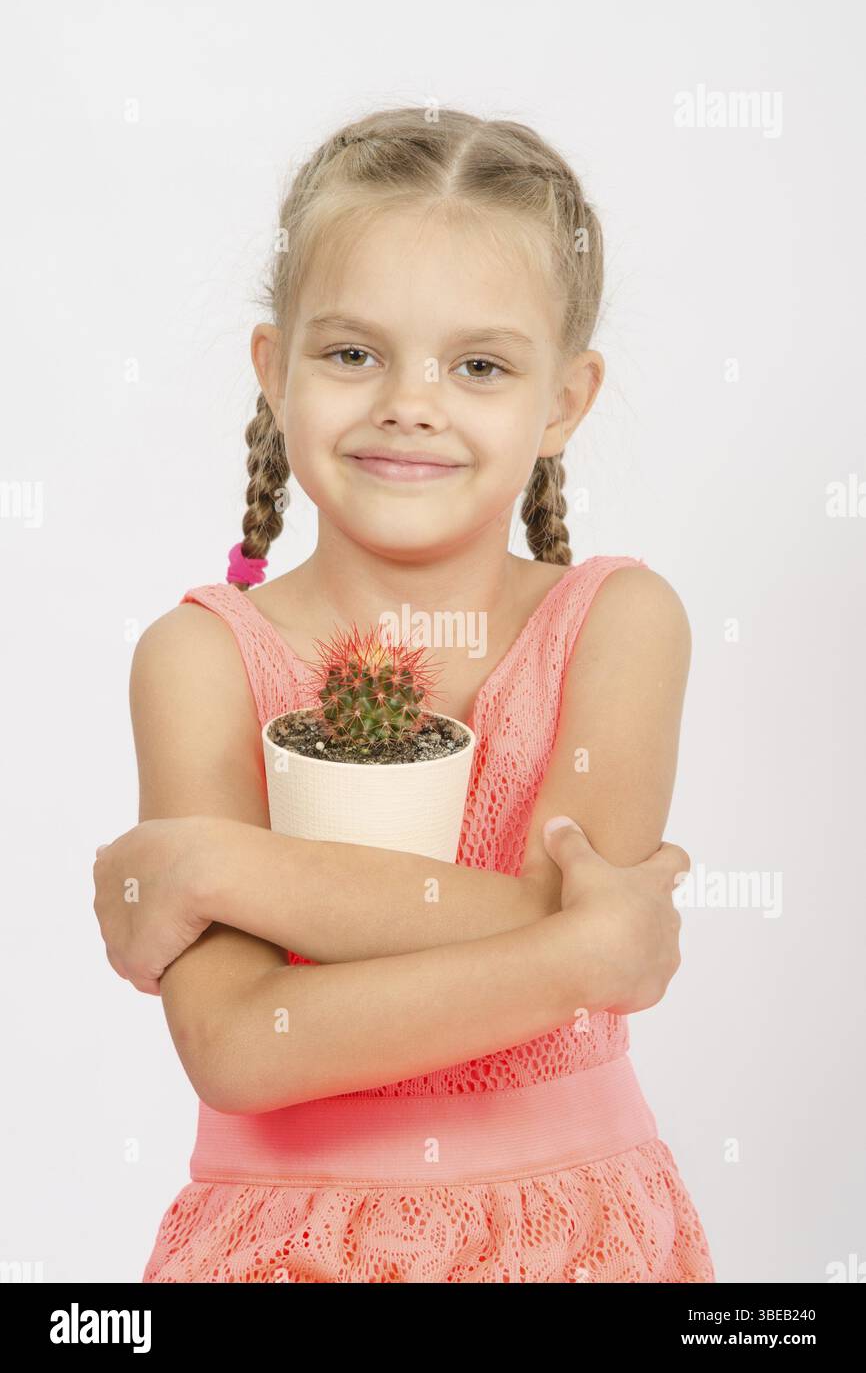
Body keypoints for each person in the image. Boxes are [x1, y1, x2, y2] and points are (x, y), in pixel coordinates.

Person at [94, 105, 715, 1282]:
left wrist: (219, 867)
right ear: (274, 369)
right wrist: (576, 953)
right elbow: (239, 1049)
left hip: (575, 1240)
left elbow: (575, 912)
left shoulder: (619, 625)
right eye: (351, 354)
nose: (409, 403)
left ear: (562, 402)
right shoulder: (200, 657)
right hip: (284, 1247)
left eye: (478, 365)